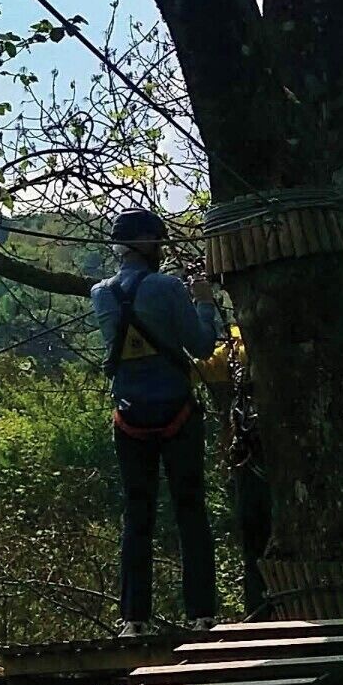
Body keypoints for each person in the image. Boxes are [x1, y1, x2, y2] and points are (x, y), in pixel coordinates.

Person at [90, 208, 220, 634]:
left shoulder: (100, 295)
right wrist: (203, 301)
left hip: (129, 416)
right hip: (177, 414)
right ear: (147, 244)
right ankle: (202, 613)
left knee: (137, 514)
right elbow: (201, 346)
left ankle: (134, 618)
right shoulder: (166, 287)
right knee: (189, 510)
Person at [195, 322, 272, 617]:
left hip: (249, 457)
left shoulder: (233, 350)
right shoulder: (236, 348)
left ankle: (259, 612)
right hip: (263, 455)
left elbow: (196, 370)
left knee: (254, 542)